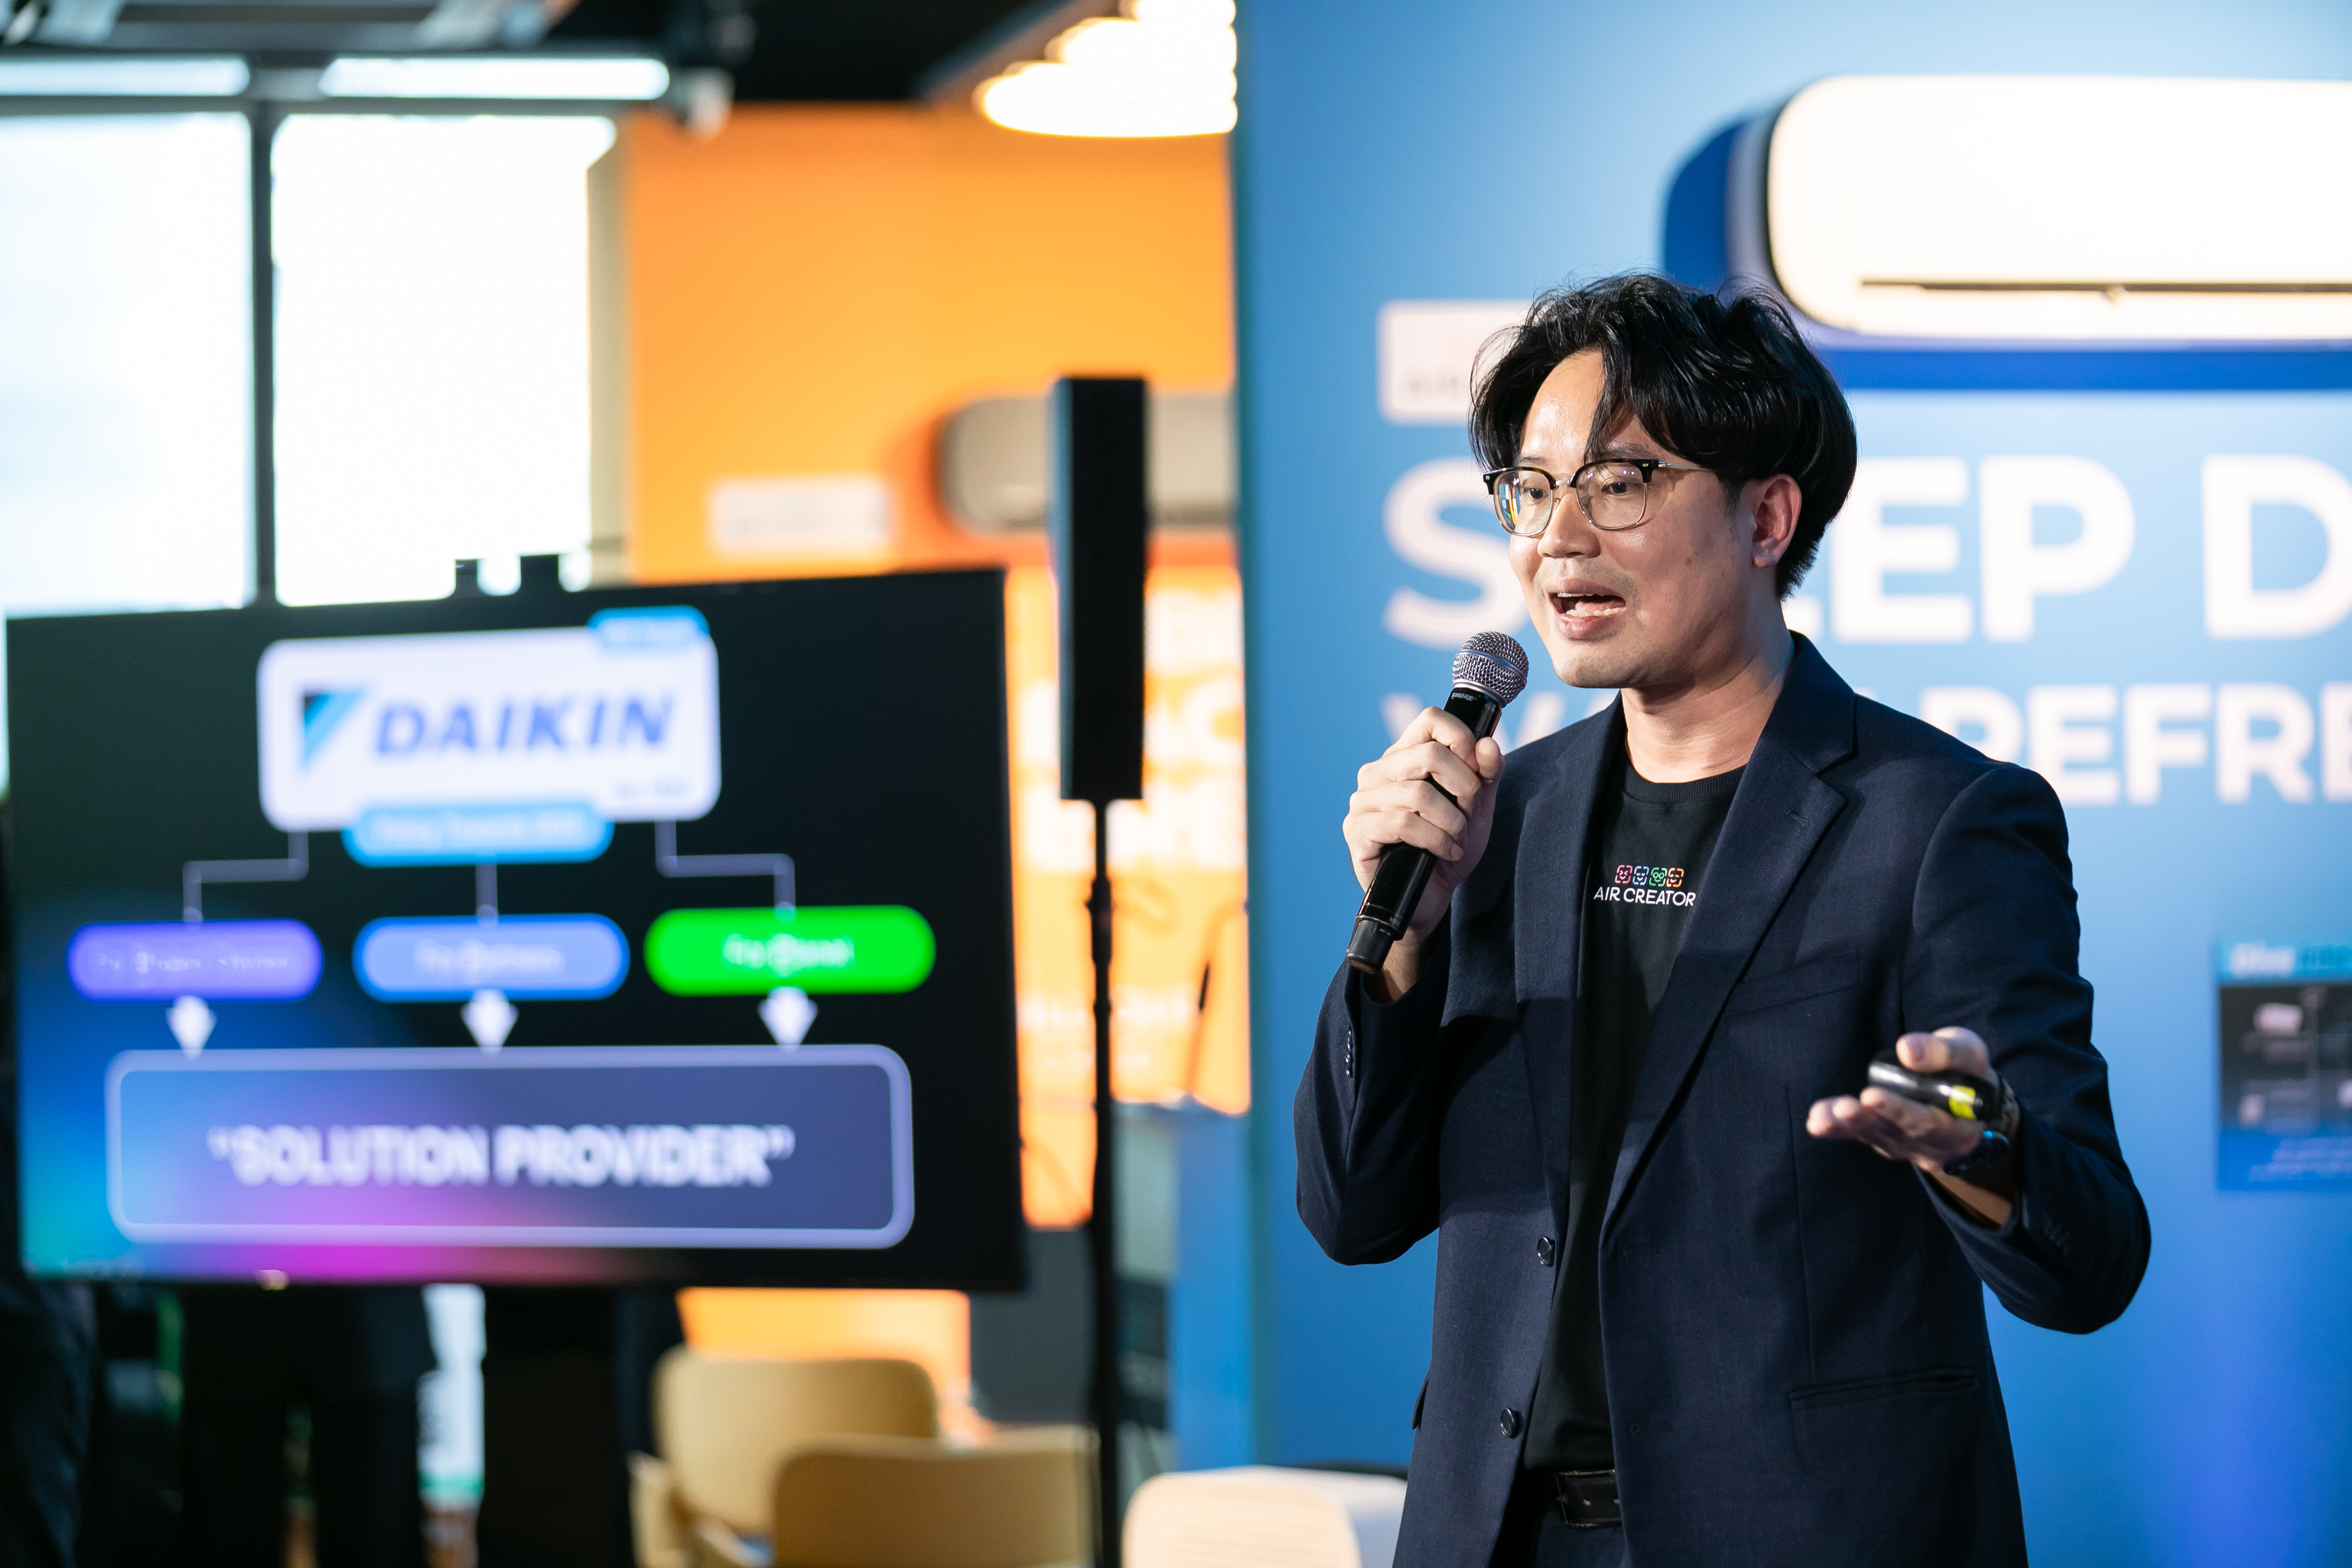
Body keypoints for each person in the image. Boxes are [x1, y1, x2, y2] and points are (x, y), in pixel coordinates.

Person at [1295, 274, 2149, 1568]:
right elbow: (1352, 1214)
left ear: (1766, 517)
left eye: (1618, 484)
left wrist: (1975, 1140)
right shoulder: (1495, 820)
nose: (1557, 538)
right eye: (1531, 490)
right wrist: (1402, 939)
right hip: (1502, 1539)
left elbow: (2091, 1264)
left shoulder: (1940, 822)